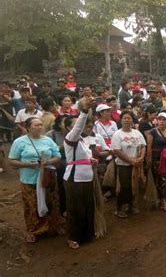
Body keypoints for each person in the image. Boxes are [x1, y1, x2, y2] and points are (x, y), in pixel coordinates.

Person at [8, 117, 62, 243]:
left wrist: (47, 161)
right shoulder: (20, 142)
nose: (40, 127)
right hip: (29, 180)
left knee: (52, 202)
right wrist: (26, 164)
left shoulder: (48, 140)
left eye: (41, 125)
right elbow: (11, 161)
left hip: (47, 178)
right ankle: (33, 230)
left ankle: (53, 227)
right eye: (36, 125)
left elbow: (58, 156)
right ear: (27, 127)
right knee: (32, 205)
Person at [62, 97, 98, 249]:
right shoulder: (71, 138)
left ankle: (86, 233)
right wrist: (84, 112)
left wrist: (92, 161)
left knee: (88, 206)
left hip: (87, 177)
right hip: (74, 179)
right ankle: (72, 236)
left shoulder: (83, 141)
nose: (79, 126)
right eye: (75, 124)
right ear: (70, 128)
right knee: (75, 208)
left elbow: (86, 157)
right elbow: (78, 127)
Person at [111, 111, 146, 218]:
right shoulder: (117, 134)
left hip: (136, 164)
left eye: (129, 118)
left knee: (134, 186)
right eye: (124, 118)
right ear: (121, 120)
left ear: (132, 120)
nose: (127, 120)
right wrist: (131, 161)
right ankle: (119, 208)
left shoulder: (137, 133)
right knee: (125, 186)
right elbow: (117, 150)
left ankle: (131, 206)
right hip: (123, 165)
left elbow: (143, 145)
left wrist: (141, 158)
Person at [146, 112, 166, 212]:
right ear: (157, 121)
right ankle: (162, 200)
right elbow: (149, 146)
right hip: (156, 159)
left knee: (165, 178)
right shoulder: (152, 132)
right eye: (160, 119)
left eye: (164, 120)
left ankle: (160, 199)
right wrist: (148, 159)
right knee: (160, 179)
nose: (162, 122)